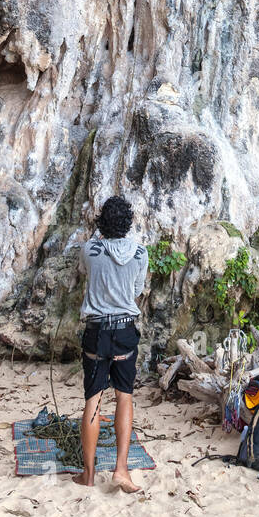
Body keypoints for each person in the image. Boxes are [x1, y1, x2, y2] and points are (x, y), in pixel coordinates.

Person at [73, 196, 148, 493]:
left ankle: (88, 475)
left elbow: (86, 271)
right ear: (128, 223)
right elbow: (136, 290)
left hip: (97, 332)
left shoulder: (90, 251)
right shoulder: (141, 253)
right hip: (125, 332)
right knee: (124, 397)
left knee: (94, 399)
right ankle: (121, 469)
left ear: (102, 222)